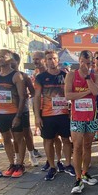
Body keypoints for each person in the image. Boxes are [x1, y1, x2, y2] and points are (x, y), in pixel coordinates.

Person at [34, 50, 75, 181]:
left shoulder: (65, 75)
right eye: (49, 59)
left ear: (58, 60)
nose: (52, 61)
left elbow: (71, 93)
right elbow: (36, 97)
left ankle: (68, 164)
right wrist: (37, 116)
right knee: (48, 141)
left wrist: (72, 112)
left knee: (66, 139)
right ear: (45, 61)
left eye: (54, 58)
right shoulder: (40, 77)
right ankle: (52, 167)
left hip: (64, 114)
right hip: (47, 115)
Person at [65, 50, 98, 194]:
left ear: (91, 63)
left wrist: (87, 77)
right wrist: (87, 93)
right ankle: (78, 178)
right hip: (77, 117)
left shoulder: (95, 76)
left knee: (88, 145)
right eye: (83, 62)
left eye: (88, 63)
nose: (85, 65)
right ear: (79, 61)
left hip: (91, 117)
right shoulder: (71, 75)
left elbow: (96, 92)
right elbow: (68, 95)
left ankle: (85, 173)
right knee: (78, 146)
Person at [0, 49, 26, 177]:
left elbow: (22, 97)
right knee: (6, 138)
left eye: (3, 56)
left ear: (10, 59)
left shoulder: (16, 75)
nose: (0, 59)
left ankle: (20, 164)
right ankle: (12, 164)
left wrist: (18, 115)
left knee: (18, 139)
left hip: (13, 113)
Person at [11, 52, 39, 167]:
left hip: (23, 110)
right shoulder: (4, 76)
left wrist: (26, 95)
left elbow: (33, 92)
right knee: (14, 135)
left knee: (27, 133)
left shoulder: (24, 76)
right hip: (9, 110)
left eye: (11, 61)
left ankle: (31, 155)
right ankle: (17, 157)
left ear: (17, 62)